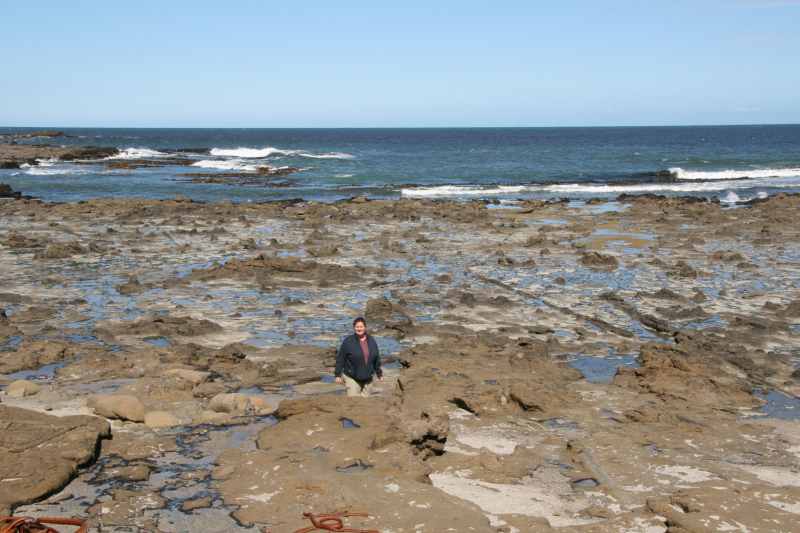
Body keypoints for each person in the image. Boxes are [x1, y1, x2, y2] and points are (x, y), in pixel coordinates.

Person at [335, 317, 382, 397]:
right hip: (352, 377)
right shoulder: (348, 341)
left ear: (365, 327)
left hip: (368, 378)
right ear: (354, 328)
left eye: (361, 327)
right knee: (354, 402)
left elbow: (376, 358)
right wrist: (338, 375)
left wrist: (379, 373)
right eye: (357, 327)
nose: (359, 329)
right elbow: (341, 358)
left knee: (365, 404)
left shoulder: (372, 340)